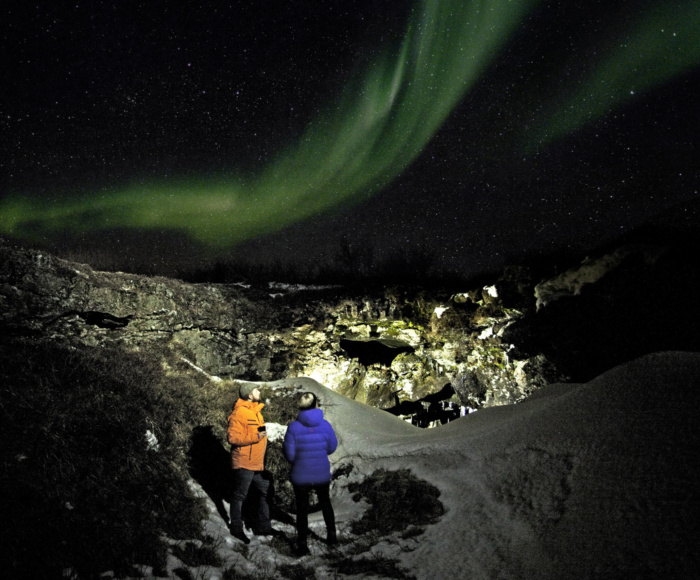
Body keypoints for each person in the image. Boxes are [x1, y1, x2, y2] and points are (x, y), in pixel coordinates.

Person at [283, 391, 338, 556]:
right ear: (316, 405)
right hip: (321, 471)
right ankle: (332, 537)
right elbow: (332, 448)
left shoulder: (293, 427)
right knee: (325, 503)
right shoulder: (325, 425)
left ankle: (302, 544)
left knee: (302, 508)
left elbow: (289, 455)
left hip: (301, 473)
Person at [227, 383, 273, 544]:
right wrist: (256, 437)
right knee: (239, 496)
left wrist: (262, 437)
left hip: (256, 463)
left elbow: (260, 433)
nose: (259, 391)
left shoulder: (256, 412)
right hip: (245, 462)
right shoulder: (239, 412)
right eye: (256, 390)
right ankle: (236, 528)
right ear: (249, 395)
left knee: (266, 491)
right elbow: (232, 438)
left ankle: (263, 527)